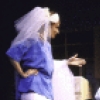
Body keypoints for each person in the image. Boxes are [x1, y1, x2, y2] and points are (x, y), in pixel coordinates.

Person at [6, 7, 86, 100]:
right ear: (47, 25)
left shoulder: (46, 45)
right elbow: (12, 53)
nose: (57, 31)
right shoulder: (33, 39)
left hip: (45, 89)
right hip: (34, 88)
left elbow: (47, 64)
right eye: (56, 27)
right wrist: (22, 73)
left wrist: (66, 62)